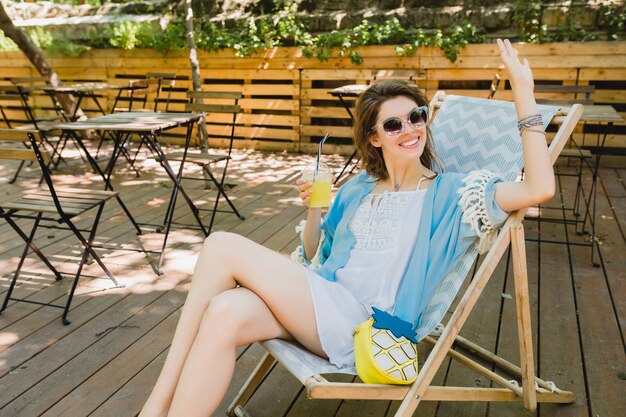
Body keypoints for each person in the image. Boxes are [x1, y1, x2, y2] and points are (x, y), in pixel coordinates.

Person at [139, 38, 555, 417]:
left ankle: (153, 408)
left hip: (365, 326)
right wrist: (317, 211)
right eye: (393, 125)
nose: (409, 129)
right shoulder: (358, 188)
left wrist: (524, 94)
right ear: (374, 138)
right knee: (224, 311)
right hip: (321, 305)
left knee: (221, 245)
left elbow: (539, 188)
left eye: (416, 116)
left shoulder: (455, 195)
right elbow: (317, 254)